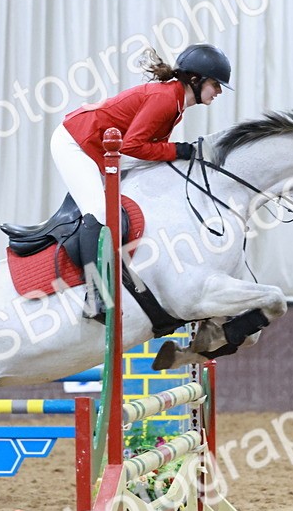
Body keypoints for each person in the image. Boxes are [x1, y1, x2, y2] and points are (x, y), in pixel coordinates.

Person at [51, 43, 234, 316]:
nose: (218, 91)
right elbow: (133, 147)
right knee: (100, 212)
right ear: (195, 80)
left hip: (101, 147)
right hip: (76, 143)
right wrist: (178, 150)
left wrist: (179, 154)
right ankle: (95, 295)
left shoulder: (175, 101)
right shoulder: (165, 99)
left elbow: (140, 150)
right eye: (215, 84)